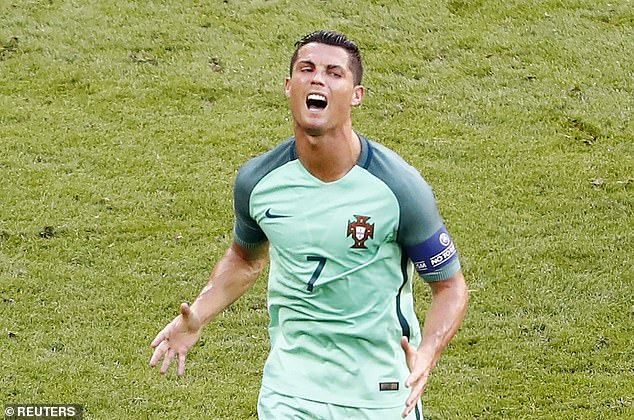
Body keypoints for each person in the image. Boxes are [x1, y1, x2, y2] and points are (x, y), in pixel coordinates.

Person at [150, 30, 469, 419]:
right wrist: (199, 313)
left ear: (356, 95)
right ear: (289, 86)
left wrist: (428, 353)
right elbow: (245, 259)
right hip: (290, 390)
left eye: (334, 73)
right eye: (307, 69)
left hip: (379, 392)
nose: (318, 79)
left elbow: (450, 286)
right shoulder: (259, 182)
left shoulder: (399, 188)